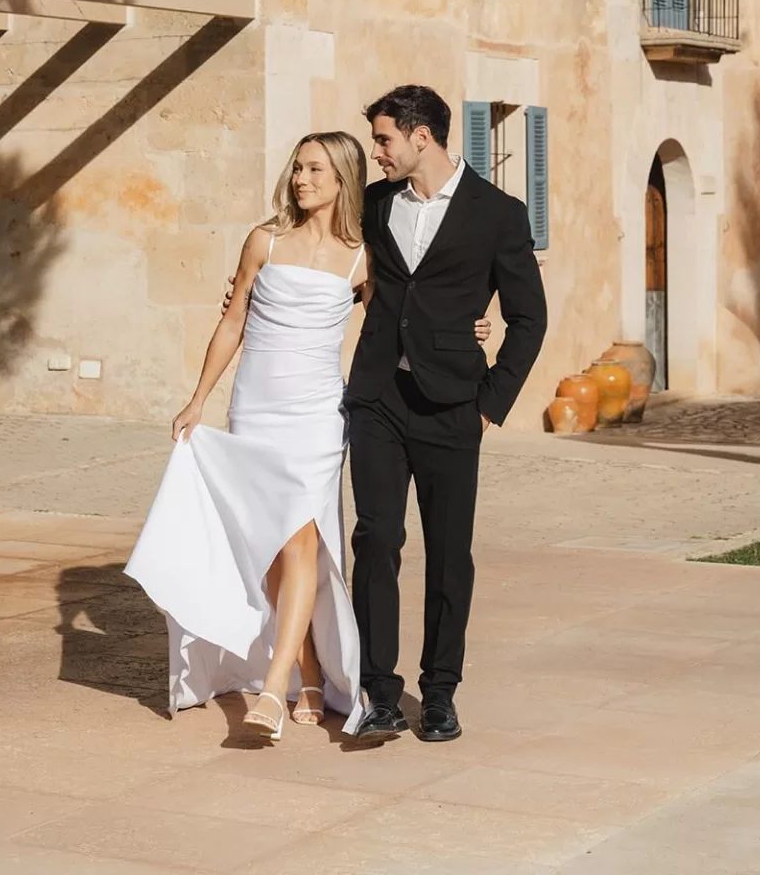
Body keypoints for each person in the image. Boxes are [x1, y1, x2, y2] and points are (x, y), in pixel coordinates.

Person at [125, 130, 491, 741]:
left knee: (300, 542)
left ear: (344, 177)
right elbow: (233, 319)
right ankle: (311, 667)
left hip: (318, 417)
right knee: (273, 546)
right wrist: (197, 401)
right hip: (255, 410)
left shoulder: (364, 258)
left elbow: (409, 316)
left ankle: (270, 693)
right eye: (297, 169)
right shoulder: (262, 241)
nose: (302, 180)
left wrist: (465, 328)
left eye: (317, 170)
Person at [348, 84, 548, 745]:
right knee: (376, 539)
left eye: (383, 140)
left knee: (448, 555)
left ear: (420, 137)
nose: (376, 153)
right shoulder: (377, 204)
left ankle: (438, 693)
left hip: (453, 407)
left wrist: (491, 403)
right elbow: (327, 257)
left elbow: (528, 317)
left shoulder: (498, 213)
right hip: (378, 399)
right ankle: (378, 693)